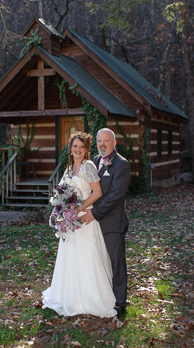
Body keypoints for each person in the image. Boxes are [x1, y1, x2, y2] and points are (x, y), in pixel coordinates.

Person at [42, 132, 117, 318]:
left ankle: (91, 298)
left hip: (84, 218)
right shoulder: (68, 169)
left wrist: (79, 209)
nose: (78, 150)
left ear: (86, 150)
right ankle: (70, 296)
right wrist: (62, 209)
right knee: (70, 257)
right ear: (70, 148)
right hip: (70, 220)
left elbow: (97, 192)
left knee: (87, 256)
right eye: (75, 146)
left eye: (82, 147)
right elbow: (62, 192)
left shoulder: (88, 166)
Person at [80, 128, 130, 317]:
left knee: (116, 261)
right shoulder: (93, 161)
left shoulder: (121, 164)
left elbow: (116, 195)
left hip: (111, 222)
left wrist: (95, 212)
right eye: (99, 141)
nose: (102, 144)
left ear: (114, 143)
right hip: (93, 223)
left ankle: (119, 303)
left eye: (106, 141)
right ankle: (103, 298)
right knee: (99, 261)